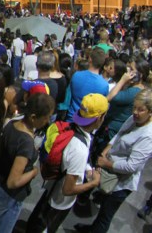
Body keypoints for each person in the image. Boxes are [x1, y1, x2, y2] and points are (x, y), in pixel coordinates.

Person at [26, 94, 108, 233]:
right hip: (59, 202)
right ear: (100, 117)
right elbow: (68, 189)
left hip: (51, 188)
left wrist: (87, 168)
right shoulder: (79, 149)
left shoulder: (71, 127)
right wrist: (93, 183)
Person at [75, 89, 152, 233]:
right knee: (103, 207)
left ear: (150, 112)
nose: (135, 112)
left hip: (122, 182)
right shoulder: (134, 119)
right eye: (134, 107)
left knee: (106, 214)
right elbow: (119, 135)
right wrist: (105, 152)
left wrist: (106, 163)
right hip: (110, 166)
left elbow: (131, 166)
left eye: (140, 110)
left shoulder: (148, 136)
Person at [0, 93, 55, 233]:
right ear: (33, 117)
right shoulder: (26, 142)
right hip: (9, 195)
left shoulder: (12, 124)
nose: (48, 121)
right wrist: (33, 172)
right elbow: (13, 182)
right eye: (46, 117)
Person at [66, 48, 109, 121]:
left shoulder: (76, 75)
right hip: (88, 122)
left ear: (90, 59)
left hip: (71, 117)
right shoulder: (104, 85)